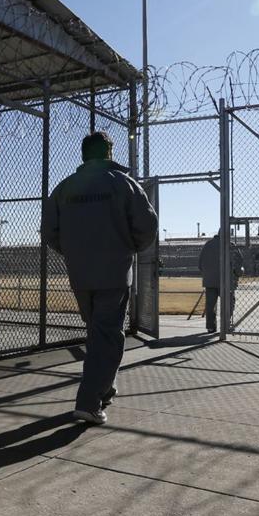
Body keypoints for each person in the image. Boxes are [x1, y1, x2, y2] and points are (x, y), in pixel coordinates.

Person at [44, 132, 157, 425]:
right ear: (109, 153)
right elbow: (147, 226)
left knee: (99, 334)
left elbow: (50, 231)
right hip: (114, 271)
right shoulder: (123, 184)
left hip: (80, 273)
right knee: (107, 336)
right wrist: (127, 246)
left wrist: (73, 252)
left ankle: (105, 389)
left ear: (84, 155)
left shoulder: (65, 188)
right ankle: (89, 401)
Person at [198, 231, 244, 334]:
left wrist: (208, 274)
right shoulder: (231, 245)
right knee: (229, 303)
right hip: (226, 281)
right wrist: (238, 273)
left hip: (210, 281)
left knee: (210, 305)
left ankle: (211, 327)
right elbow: (238, 263)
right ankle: (225, 324)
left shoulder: (208, 245)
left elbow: (200, 264)